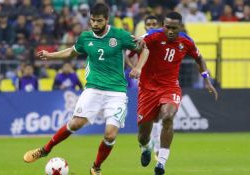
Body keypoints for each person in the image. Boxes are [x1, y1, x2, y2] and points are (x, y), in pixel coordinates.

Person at [23, 3, 141, 175]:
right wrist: (50, 55)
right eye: (92, 20)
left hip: (116, 92)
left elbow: (142, 48)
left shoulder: (119, 35)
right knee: (75, 123)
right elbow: (72, 52)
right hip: (93, 89)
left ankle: (96, 167)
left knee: (110, 135)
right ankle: (45, 149)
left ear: (107, 20)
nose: (95, 24)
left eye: (99, 21)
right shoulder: (86, 38)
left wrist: (139, 64)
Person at [129, 12, 218, 175]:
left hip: (170, 87)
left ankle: (161, 163)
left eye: (174, 28)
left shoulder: (186, 41)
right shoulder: (153, 36)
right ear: (163, 25)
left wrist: (206, 79)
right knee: (143, 136)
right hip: (147, 89)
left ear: (180, 27)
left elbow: (200, 59)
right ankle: (146, 147)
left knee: (168, 116)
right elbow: (138, 41)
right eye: (167, 27)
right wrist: (136, 51)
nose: (170, 31)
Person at [127, 15, 162, 159]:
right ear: (145, 25)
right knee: (146, 118)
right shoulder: (141, 40)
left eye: (154, 23)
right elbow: (128, 55)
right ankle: (146, 144)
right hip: (145, 82)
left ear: (159, 24)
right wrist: (135, 67)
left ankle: (158, 148)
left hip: (161, 82)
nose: (152, 26)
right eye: (149, 24)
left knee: (158, 116)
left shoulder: (162, 39)